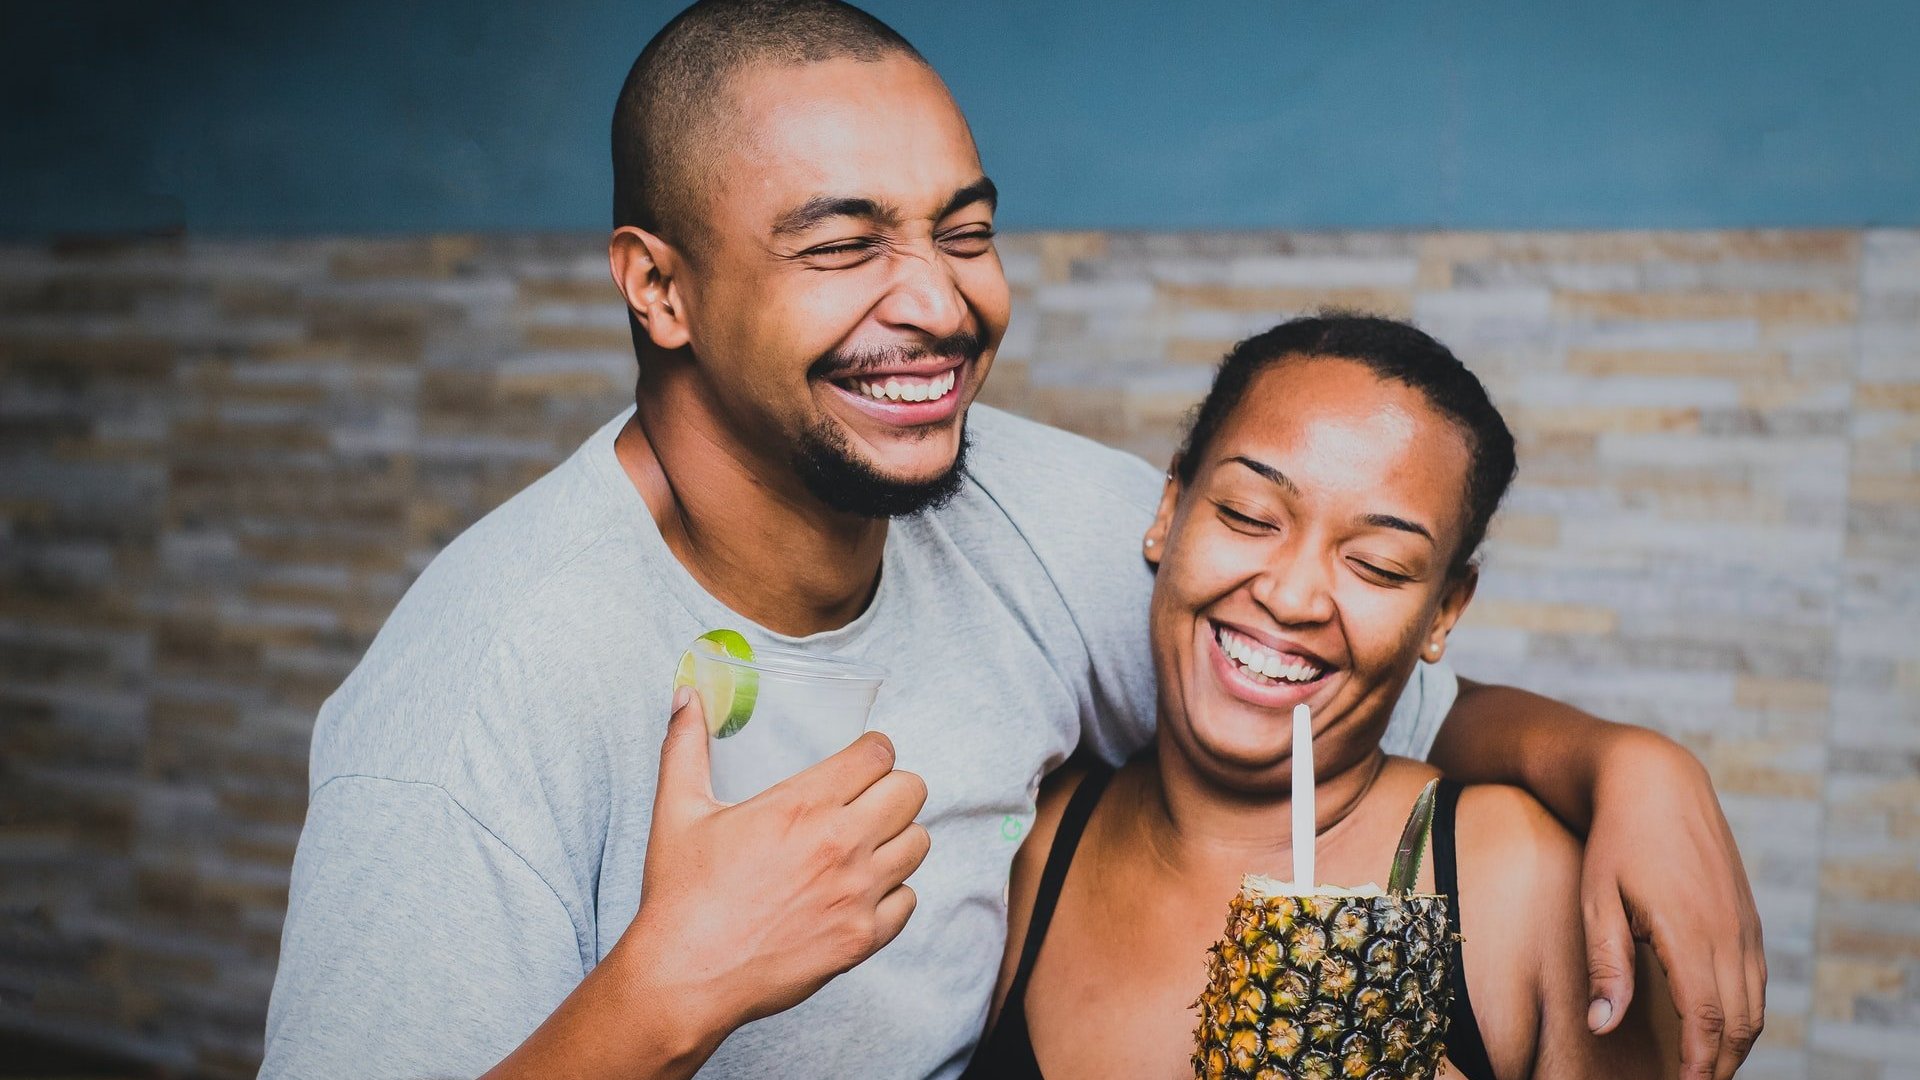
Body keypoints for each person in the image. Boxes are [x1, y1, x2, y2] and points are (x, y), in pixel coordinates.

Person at [259, 3, 1762, 1079]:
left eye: (964, 231)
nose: (937, 301)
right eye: (844, 243)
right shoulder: (484, 688)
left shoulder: (1035, 510)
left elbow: (1355, 689)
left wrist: (1634, 767)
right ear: (660, 288)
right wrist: (663, 999)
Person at [965, 315, 1672, 1079]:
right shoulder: (1034, 844)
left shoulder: (1527, 881)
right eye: (1247, 515)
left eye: (1378, 564)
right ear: (1169, 512)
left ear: (1443, 612)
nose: (1293, 594)